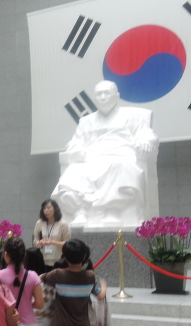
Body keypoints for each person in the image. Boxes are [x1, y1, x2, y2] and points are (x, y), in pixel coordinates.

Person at [52, 80, 159, 228]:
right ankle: (80, 210)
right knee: (73, 172)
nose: (102, 97)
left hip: (121, 156)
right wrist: (76, 148)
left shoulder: (132, 117)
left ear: (116, 96)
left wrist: (144, 141)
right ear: (94, 98)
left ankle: (112, 210)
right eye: (99, 94)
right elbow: (76, 141)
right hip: (92, 159)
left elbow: (145, 134)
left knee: (121, 167)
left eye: (106, 93)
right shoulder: (86, 121)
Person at [33, 199, 71, 272]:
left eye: (48, 208)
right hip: (43, 260)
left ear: (55, 209)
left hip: (59, 261)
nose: (46, 211)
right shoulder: (39, 223)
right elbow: (35, 240)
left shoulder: (63, 224)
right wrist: (39, 243)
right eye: (44, 208)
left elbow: (68, 244)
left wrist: (52, 242)